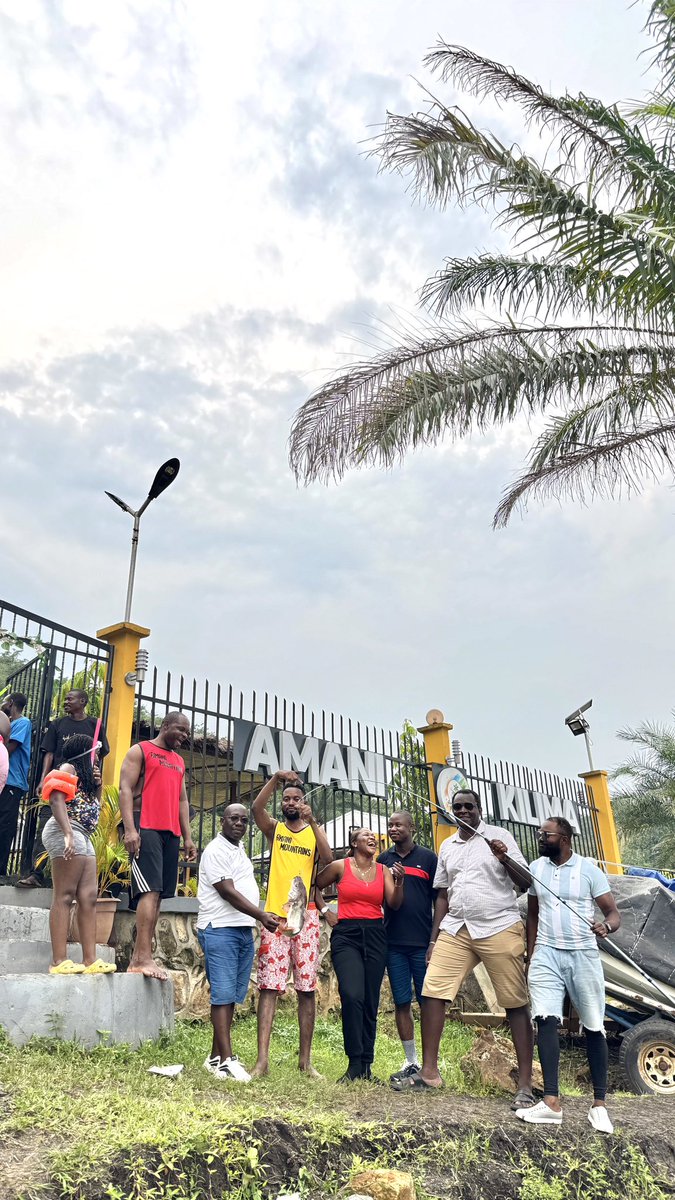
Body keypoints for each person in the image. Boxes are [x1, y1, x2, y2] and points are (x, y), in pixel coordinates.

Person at [393, 789, 534, 1103]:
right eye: (458, 807)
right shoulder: (448, 845)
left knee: (515, 1001)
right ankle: (430, 1072)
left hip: (499, 924)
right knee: (432, 991)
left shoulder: (500, 837)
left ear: (479, 808)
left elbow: (526, 881)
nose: (464, 810)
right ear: (451, 811)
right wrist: (433, 939)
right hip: (457, 928)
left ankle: (525, 1083)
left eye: (469, 806)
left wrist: (504, 857)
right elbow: (442, 894)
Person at [516, 816, 620, 1133]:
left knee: (593, 1026)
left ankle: (599, 1106)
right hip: (547, 952)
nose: (539, 838)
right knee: (546, 1019)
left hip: (583, 954)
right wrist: (532, 955)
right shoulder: (536, 868)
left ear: (563, 837)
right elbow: (533, 914)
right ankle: (550, 1102)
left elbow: (613, 913)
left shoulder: (588, 870)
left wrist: (607, 926)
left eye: (544, 834)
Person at [251, 771, 333, 1078]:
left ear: (304, 802)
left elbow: (326, 858)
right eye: (286, 799)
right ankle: (262, 1061)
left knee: (306, 988)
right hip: (275, 916)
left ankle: (305, 1061)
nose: (291, 803)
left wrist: (313, 822)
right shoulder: (275, 829)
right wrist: (274, 779)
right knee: (269, 986)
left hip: (307, 917)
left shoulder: (313, 830)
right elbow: (257, 810)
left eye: (296, 798)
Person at [197, 803, 281, 1082]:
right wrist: (260, 914)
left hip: (242, 929)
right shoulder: (216, 850)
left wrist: (254, 920)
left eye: (244, 820)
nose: (240, 824)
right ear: (222, 821)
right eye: (234, 819)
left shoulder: (238, 849)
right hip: (220, 928)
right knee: (222, 995)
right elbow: (227, 892)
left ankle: (215, 1058)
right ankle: (227, 1061)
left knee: (231, 995)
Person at [317, 826, 405, 1081]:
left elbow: (394, 903)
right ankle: (354, 1062)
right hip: (347, 935)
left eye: (373, 837)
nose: (372, 838)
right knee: (352, 995)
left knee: (370, 1001)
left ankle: (366, 1065)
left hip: (376, 934)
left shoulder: (383, 871)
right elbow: (314, 886)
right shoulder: (339, 866)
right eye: (365, 835)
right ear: (354, 843)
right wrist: (325, 911)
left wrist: (399, 882)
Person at [119, 712, 197, 980]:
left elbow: (182, 801)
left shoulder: (178, 761)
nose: (184, 736)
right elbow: (125, 789)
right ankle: (141, 958)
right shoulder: (140, 750)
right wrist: (130, 829)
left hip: (170, 833)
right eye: (180, 729)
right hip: (146, 827)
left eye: (187, 732)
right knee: (149, 891)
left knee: (160, 895)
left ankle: (143, 956)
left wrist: (187, 837)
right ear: (165, 726)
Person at [40, 733, 116, 975]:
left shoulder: (86, 778)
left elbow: (93, 810)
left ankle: (90, 960)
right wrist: (68, 834)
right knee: (64, 895)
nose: (97, 758)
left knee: (89, 896)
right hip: (65, 831)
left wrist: (98, 786)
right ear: (85, 752)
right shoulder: (68, 767)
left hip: (83, 834)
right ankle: (58, 961)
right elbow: (56, 800)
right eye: (95, 752)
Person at [18, 689, 109, 888]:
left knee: (79, 832)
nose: (66, 702)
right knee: (47, 820)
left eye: (70, 698)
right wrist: (43, 779)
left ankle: (67, 878)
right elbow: (49, 753)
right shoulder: (58, 724)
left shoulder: (95, 725)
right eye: (65, 698)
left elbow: (99, 754)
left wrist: (94, 779)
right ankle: (36, 873)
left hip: (83, 788)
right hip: (59, 779)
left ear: (83, 701)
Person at [377, 810, 437, 1082]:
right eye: (390, 825)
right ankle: (411, 1061)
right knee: (402, 1002)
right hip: (393, 943)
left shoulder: (428, 859)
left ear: (412, 827)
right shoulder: (383, 860)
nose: (393, 828)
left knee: (427, 1003)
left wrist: (435, 940)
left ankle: (429, 1063)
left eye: (398, 824)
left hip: (422, 943)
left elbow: (440, 900)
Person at [0, 693, 31, 876]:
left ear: (11, 703)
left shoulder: (23, 723)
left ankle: (1, 869)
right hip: (4, 780)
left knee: (5, 825)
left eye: (5, 701)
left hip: (12, 782)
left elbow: (8, 749)